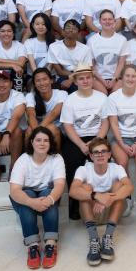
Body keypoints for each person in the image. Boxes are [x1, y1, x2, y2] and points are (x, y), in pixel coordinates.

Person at [69, 137, 134, 266]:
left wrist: (109, 198)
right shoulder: (83, 169)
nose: (100, 154)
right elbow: (73, 191)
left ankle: (107, 237)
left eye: (104, 151)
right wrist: (96, 196)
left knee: (118, 185)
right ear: (91, 156)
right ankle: (94, 239)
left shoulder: (116, 168)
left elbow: (129, 187)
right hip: (92, 213)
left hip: (111, 213)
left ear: (109, 155)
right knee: (85, 189)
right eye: (96, 152)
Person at [9, 126, 66, 269]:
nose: (42, 143)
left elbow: (59, 185)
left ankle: (50, 244)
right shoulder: (23, 160)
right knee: (25, 195)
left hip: (46, 195)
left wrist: (49, 200)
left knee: (49, 193)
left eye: (46, 140)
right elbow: (14, 190)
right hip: (27, 197)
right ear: (32, 142)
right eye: (38, 140)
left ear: (50, 143)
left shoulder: (56, 158)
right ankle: (33, 245)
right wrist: (31, 202)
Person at [59, 63, 107, 218]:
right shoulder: (70, 100)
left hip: (98, 137)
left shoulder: (102, 98)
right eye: (81, 78)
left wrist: (96, 142)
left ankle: (102, 203)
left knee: (102, 161)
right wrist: (80, 145)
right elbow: (68, 125)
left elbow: (106, 122)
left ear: (92, 79)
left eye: (88, 77)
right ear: (76, 81)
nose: (85, 81)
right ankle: (75, 209)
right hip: (76, 139)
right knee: (72, 162)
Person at [105, 64, 136, 214]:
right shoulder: (113, 98)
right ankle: (125, 197)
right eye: (127, 76)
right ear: (121, 78)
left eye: (133, 76)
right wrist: (121, 144)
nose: (130, 79)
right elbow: (113, 124)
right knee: (122, 162)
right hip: (120, 138)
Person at [46, 19, 92, 93]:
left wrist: (71, 79)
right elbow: (59, 71)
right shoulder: (54, 47)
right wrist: (71, 77)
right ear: (63, 31)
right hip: (62, 76)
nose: (71, 30)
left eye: (74, 28)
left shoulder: (85, 49)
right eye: (68, 27)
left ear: (79, 33)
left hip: (80, 76)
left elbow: (87, 69)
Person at [25, 68, 65, 151]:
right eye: (38, 81)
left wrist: (38, 132)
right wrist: (37, 131)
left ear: (51, 80)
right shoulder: (30, 96)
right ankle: (29, 156)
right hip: (37, 127)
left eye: (45, 79)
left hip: (58, 130)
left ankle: (56, 156)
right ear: (34, 84)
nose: (42, 83)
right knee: (29, 130)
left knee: (51, 128)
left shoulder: (61, 94)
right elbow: (31, 114)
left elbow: (54, 113)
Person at [87, 9, 126, 94]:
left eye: (110, 19)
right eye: (104, 19)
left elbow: (121, 63)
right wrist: (102, 81)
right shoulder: (92, 41)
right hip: (97, 78)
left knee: (114, 96)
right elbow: (92, 65)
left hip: (116, 78)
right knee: (103, 95)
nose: (107, 22)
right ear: (100, 22)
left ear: (114, 21)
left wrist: (114, 79)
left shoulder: (122, 40)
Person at [0, 20, 27, 91]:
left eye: (9, 31)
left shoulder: (20, 46)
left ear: (13, 33)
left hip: (15, 75)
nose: (6, 34)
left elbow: (21, 63)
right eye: (2, 31)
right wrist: (12, 65)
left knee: (18, 71)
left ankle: (17, 94)